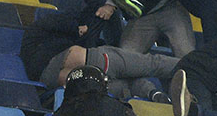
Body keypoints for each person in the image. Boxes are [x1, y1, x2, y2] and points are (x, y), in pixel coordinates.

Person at [39, 41, 178, 100]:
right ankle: (193, 65)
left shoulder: (45, 77)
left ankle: (154, 94)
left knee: (130, 86)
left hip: (87, 84)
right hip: (99, 62)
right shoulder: (47, 62)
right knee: (152, 63)